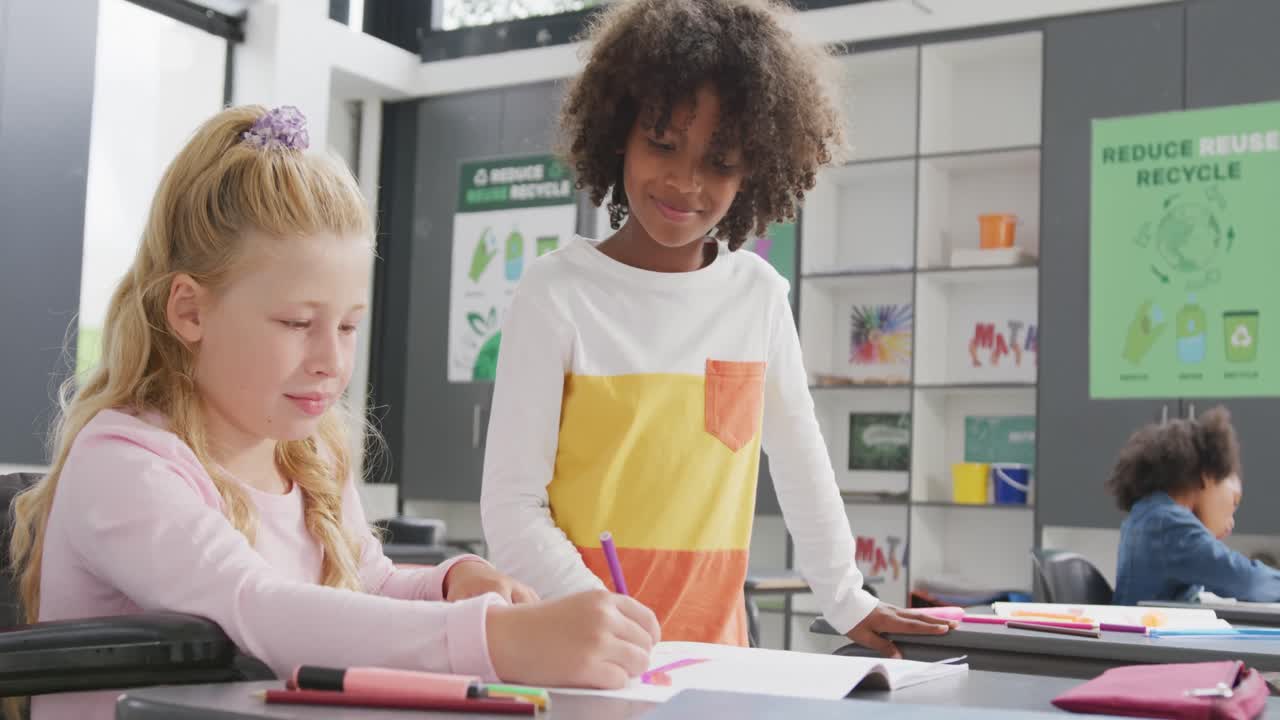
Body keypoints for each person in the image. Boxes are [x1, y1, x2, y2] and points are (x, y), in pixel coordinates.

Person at [10, 105, 658, 720]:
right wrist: (500, 639)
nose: (331, 361)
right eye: (297, 322)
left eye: (348, 327)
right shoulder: (123, 466)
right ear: (190, 311)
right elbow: (258, 608)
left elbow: (362, 585)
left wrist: (450, 585)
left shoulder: (304, 451)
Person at [481, 0, 952, 657]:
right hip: (581, 652)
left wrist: (846, 597)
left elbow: (800, 460)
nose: (684, 181)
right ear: (619, 131)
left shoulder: (757, 298)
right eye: (662, 143)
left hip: (716, 659)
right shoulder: (556, 295)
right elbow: (510, 510)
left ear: (756, 168)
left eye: (720, 161)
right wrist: (594, 607)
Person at [1109, 406, 1280, 605]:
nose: (1231, 522)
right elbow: (1246, 581)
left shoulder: (1149, 516)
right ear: (1207, 475)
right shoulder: (1166, 524)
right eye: (1234, 503)